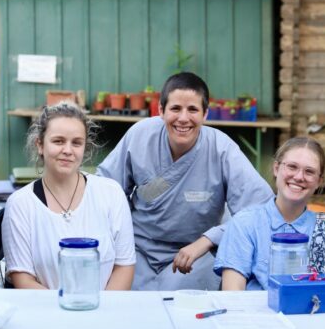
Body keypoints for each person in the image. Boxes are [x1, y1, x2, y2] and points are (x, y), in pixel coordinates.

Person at [97, 72, 274, 290]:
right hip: (136, 250)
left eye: (192, 110)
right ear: (161, 110)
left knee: (182, 305)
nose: (183, 118)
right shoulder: (140, 135)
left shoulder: (222, 150)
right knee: (124, 302)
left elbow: (261, 211)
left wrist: (208, 240)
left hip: (196, 255)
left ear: (205, 113)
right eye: (175, 109)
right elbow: (105, 190)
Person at [2, 102, 136, 290]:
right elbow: (23, 279)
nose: (67, 150)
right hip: (44, 309)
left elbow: (124, 266)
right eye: (58, 141)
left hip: (105, 308)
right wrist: (67, 305)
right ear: (40, 145)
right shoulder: (21, 204)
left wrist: (98, 306)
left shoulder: (111, 194)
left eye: (76, 143)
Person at [214, 137, 325, 290]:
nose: (299, 177)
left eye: (309, 171)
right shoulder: (245, 223)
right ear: (276, 168)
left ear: (319, 181)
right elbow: (233, 294)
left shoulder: (324, 233)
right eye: (292, 167)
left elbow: (319, 292)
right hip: (252, 306)